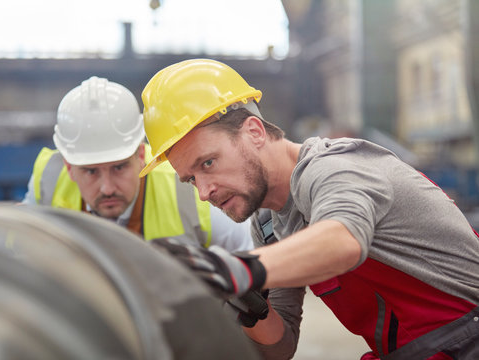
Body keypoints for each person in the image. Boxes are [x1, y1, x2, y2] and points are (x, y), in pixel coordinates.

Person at [139, 59, 479, 360]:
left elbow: (343, 240)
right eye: (190, 179)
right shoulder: (269, 223)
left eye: (208, 162)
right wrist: (250, 309)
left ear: (254, 132)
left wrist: (234, 268)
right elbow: (282, 346)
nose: (203, 192)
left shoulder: (335, 167)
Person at [22, 76, 253, 252]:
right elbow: (17, 257)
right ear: (69, 167)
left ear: (141, 154)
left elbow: (255, 262)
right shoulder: (48, 180)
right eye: (91, 171)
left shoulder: (190, 187)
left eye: (119, 167)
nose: (107, 188)